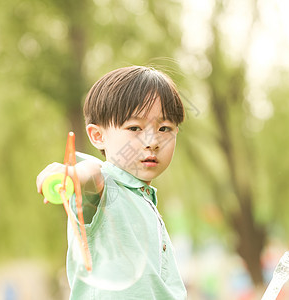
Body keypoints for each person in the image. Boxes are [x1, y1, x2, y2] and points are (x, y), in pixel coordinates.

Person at [36, 66, 187, 299]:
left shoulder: (142, 198)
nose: (152, 141)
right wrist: (72, 175)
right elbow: (92, 175)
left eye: (164, 128)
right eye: (134, 128)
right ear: (98, 136)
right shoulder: (105, 188)